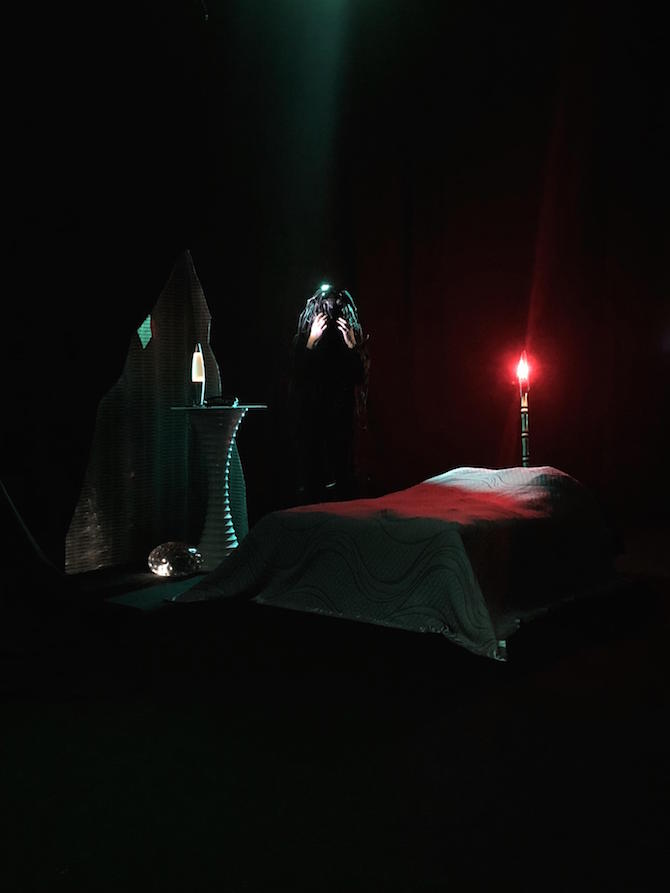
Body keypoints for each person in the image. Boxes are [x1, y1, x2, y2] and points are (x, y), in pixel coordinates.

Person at [288, 284, 369, 503]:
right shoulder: (304, 339)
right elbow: (298, 375)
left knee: (344, 476)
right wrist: (311, 342)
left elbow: (359, 376)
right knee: (314, 478)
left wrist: (353, 346)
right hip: (313, 420)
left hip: (342, 420)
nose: (331, 310)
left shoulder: (347, 338)